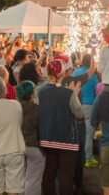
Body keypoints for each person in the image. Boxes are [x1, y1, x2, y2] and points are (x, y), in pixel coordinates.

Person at [38, 59, 84, 195]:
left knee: (49, 174)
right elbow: (79, 113)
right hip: (67, 140)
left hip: (47, 138)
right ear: (62, 73)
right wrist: (74, 94)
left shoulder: (40, 91)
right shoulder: (68, 93)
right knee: (66, 177)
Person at [16, 80, 45, 195]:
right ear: (32, 94)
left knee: (20, 178)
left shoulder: (14, 107)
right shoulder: (37, 109)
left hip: (17, 146)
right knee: (33, 180)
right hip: (34, 146)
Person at [71, 54, 100, 168]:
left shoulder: (75, 73)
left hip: (76, 103)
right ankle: (88, 158)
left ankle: (77, 157)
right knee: (88, 133)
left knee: (76, 132)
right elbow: (97, 91)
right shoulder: (93, 76)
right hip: (90, 105)